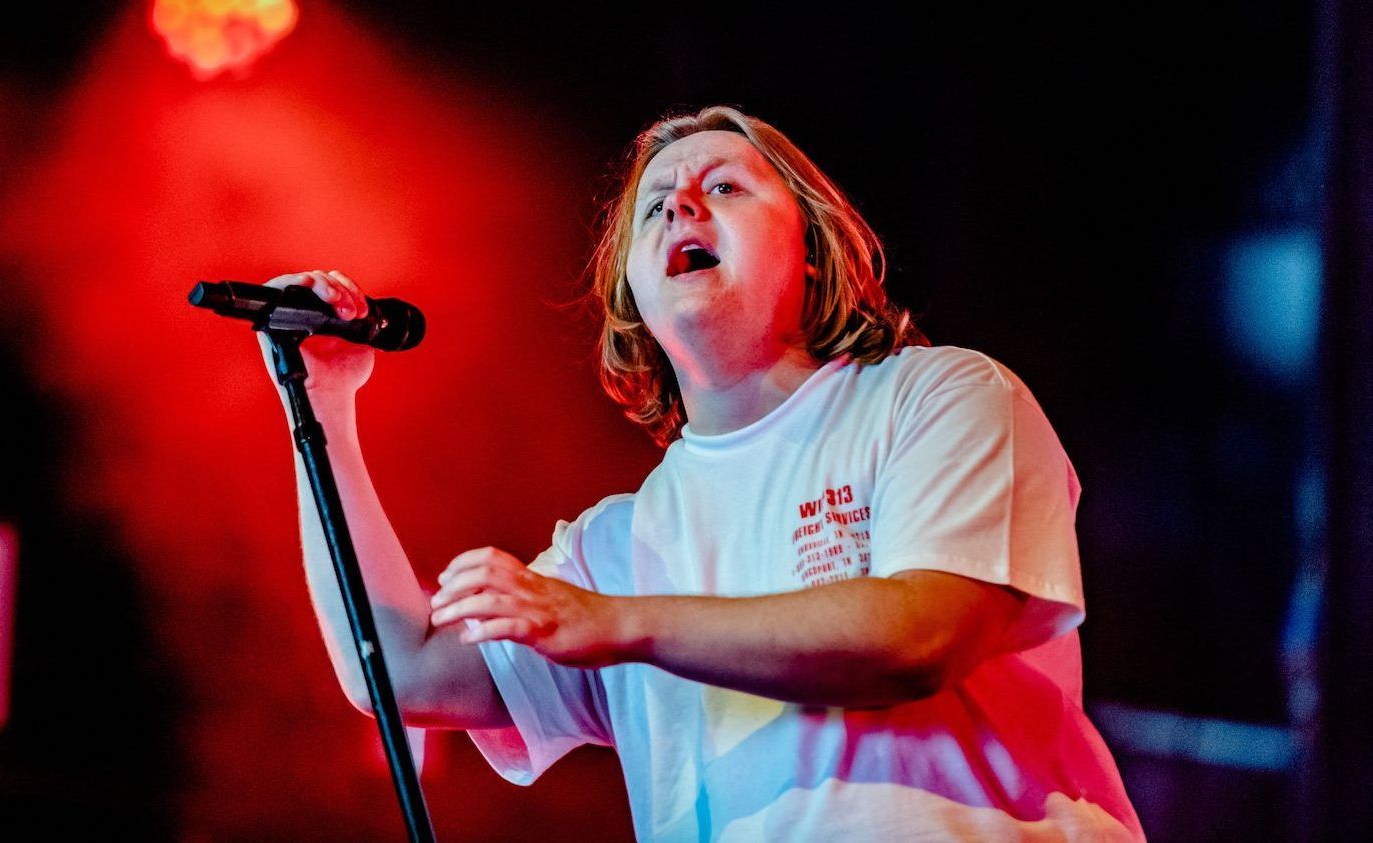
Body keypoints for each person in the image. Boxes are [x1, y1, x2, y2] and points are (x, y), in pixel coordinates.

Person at [259, 106, 1144, 841]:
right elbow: (403, 673)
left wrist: (613, 622)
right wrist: (324, 407)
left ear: (811, 248)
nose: (681, 204)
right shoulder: (620, 540)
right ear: (632, 290)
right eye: (653, 208)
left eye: (723, 185)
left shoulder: (938, 396)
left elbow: (920, 636)